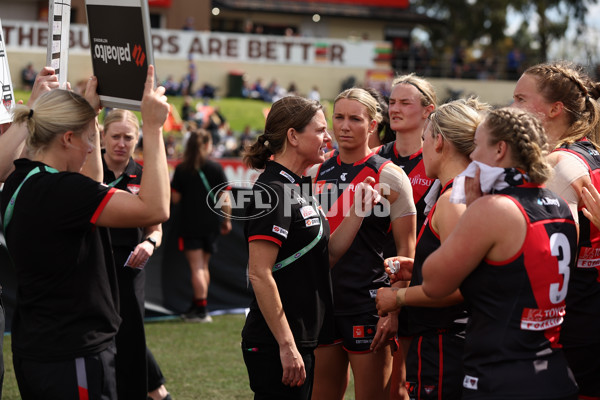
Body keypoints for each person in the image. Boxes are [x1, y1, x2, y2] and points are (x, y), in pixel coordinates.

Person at [0, 65, 170, 399]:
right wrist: (152, 128)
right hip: (72, 352)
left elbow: (93, 184)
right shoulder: (63, 191)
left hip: (39, 346)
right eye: (88, 139)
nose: (94, 149)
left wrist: (88, 115)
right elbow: (155, 209)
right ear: (66, 138)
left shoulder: (20, 179)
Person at [419, 107, 578, 399]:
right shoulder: (562, 205)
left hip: (502, 376)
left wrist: (473, 209)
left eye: (478, 145)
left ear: (500, 150)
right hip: (552, 371)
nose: (473, 156)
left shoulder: (494, 209)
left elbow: (434, 282)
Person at [241, 95, 381, 399]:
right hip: (278, 341)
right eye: (319, 130)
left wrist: (357, 209)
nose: (328, 136)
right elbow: (259, 274)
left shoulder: (298, 186)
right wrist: (286, 344)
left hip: (303, 337)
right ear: (293, 135)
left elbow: (325, 256)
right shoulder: (274, 191)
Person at [375, 98, 489, 400]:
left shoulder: (453, 200)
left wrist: (396, 296)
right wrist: (419, 268)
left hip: (445, 342)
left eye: (425, 138)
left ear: (439, 141)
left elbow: (463, 287)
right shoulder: (463, 191)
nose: (422, 147)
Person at [310, 88, 416, 400]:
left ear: (372, 125)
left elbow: (406, 252)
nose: (344, 126)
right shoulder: (316, 171)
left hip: (368, 306)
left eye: (355, 119)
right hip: (324, 303)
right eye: (338, 117)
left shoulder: (390, 176)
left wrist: (393, 308)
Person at [511, 61, 600, 398]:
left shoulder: (559, 165)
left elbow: (544, 259)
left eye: (520, 99)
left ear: (554, 110)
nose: (512, 107)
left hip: (572, 324)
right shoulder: (591, 154)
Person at [100, 109, 171, 400]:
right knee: (103, 336)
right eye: (115, 136)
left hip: (131, 269)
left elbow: (156, 229)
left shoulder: (143, 175)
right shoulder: (88, 171)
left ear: (137, 138)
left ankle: (155, 392)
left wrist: (149, 244)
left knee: (130, 334)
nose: (121, 143)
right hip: (96, 267)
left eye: (128, 137)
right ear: (102, 136)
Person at [374, 73, 437, 400]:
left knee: (400, 387)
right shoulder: (375, 159)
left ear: (428, 110)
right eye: (392, 102)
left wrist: (398, 299)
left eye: (405, 103)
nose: (394, 109)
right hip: (371, 283)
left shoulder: (438, 162)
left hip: (417, 286)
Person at [171, 128, 232, 322]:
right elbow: (226, 198)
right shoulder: (216, 168)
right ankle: (198, 304)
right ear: (207, 145)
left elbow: (175, 198)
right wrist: (227, 220)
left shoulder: (182, 169)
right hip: (211, 224)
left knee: (197, 267)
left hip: (190, 224)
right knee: (203, 266)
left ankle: (201, 309)